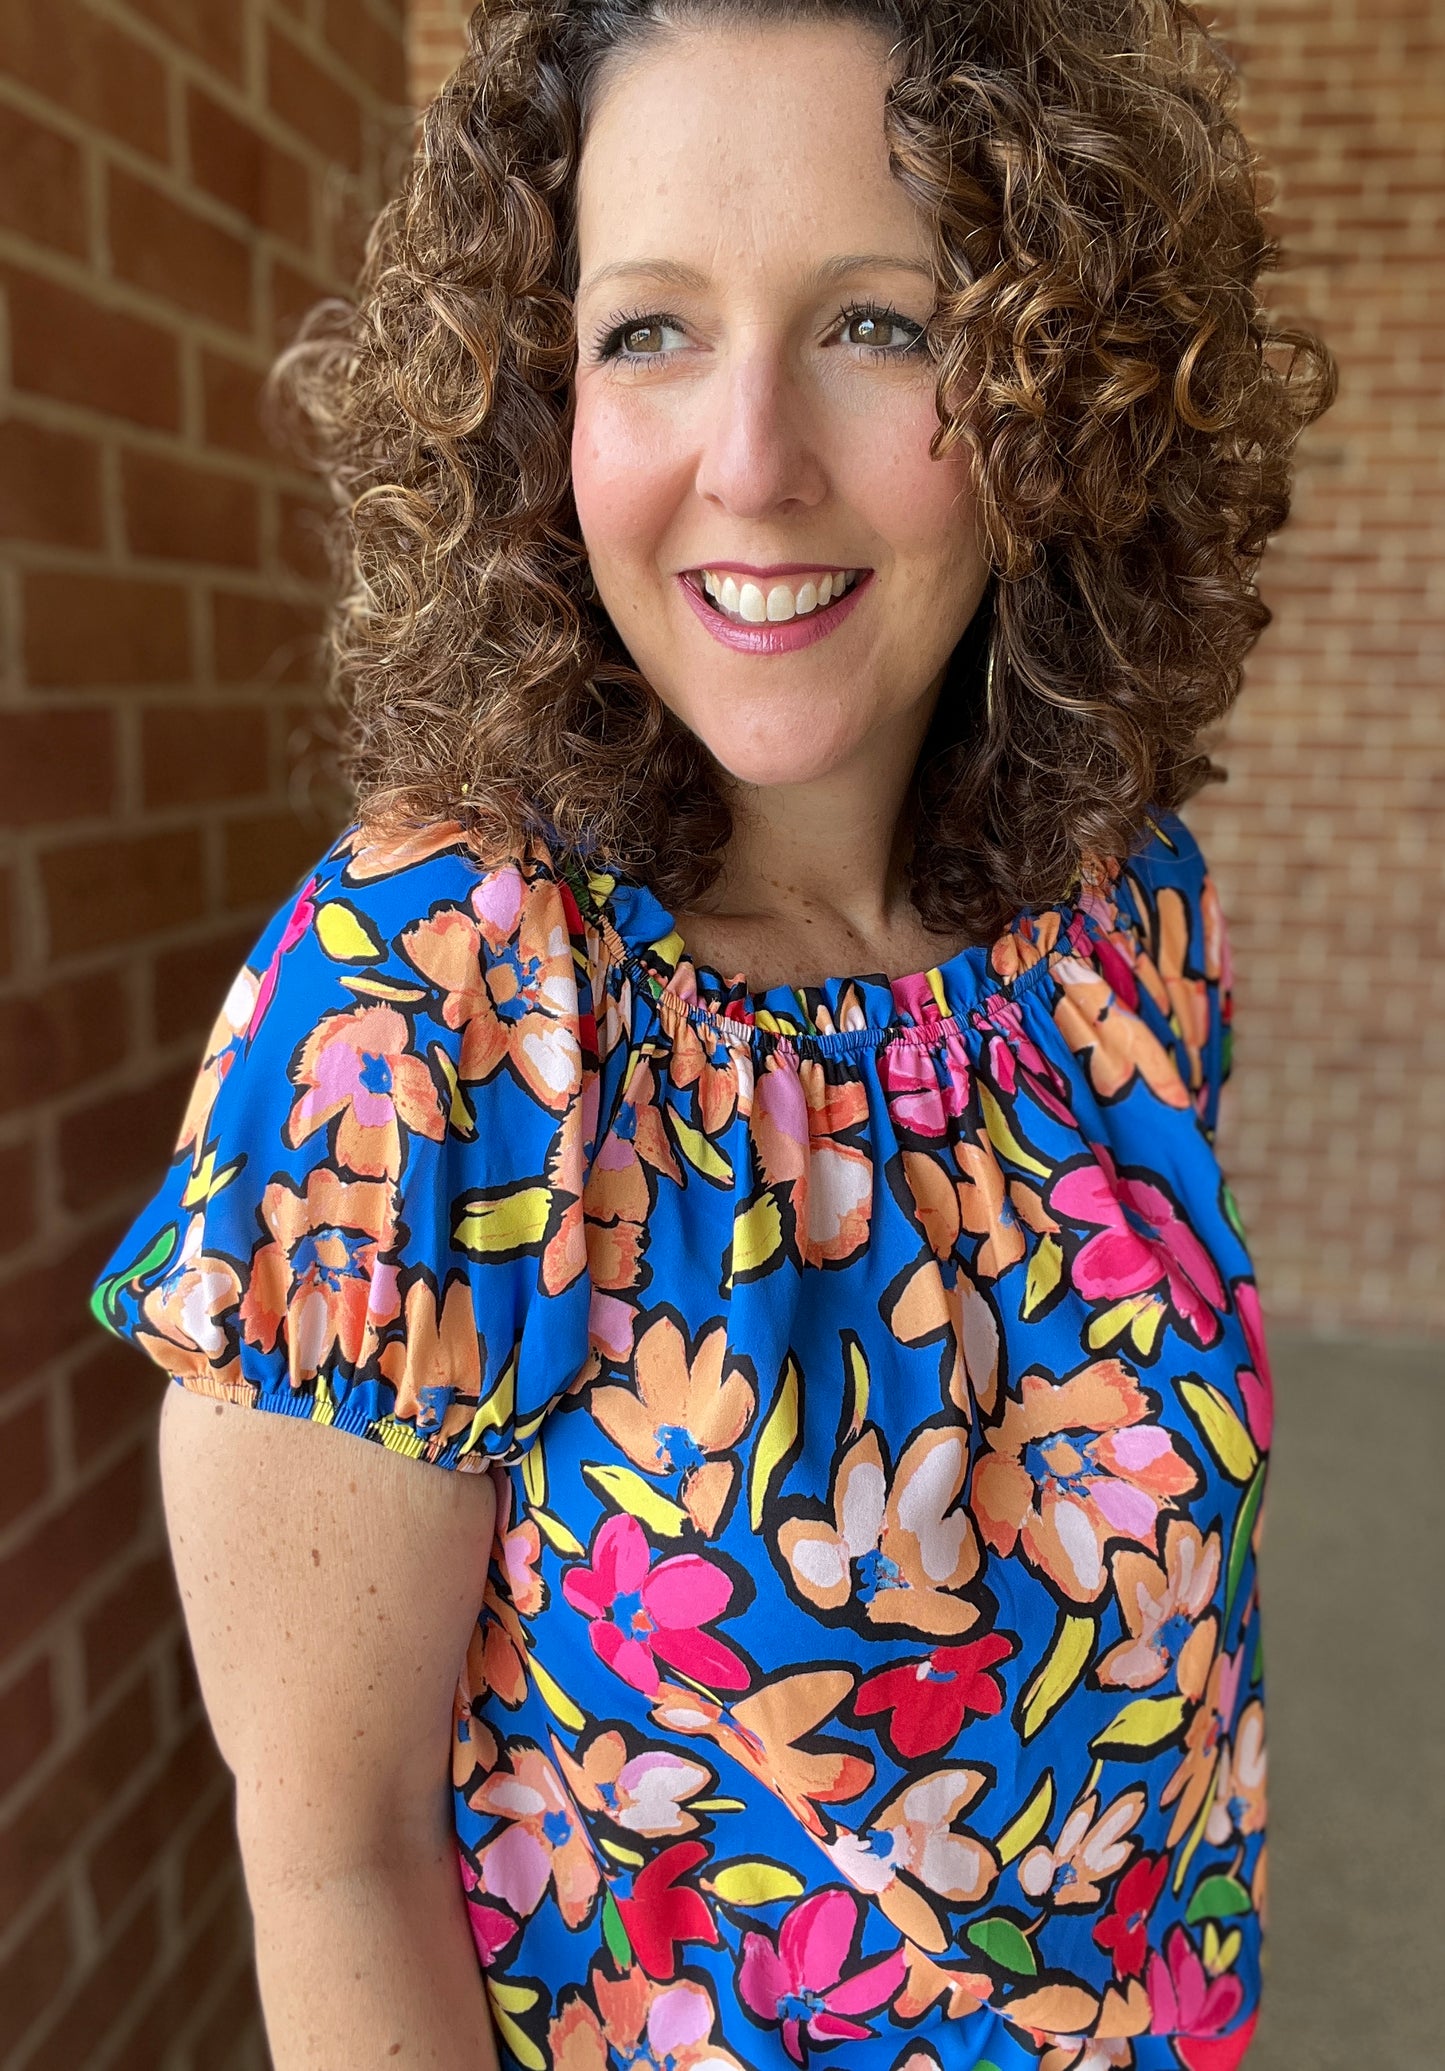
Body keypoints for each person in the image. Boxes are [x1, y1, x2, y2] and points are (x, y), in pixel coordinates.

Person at [90, 2, 1334, 2065]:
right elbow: (336, 1852)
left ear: (1054, 384)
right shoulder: (428, 1007)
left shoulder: (1119, 913)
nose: (749, 463)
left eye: (881, 325)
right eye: (649, 331)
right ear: (532, 399)